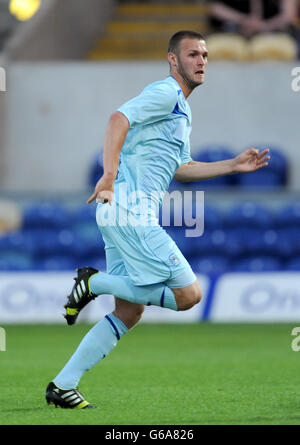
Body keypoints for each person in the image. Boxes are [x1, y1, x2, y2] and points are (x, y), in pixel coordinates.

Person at [45, 30, 270, 409]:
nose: (201, 61)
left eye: (205, 54)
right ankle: (93, 282)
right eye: (192, 54)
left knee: (129, 312)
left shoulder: (182, 108)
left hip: (120, 214)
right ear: (172, 59)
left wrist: (232, 165)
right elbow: (118, 118)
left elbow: (181, 167)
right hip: (130, 211)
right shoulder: (166, 92)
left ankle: (63, 385)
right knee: (189, 295)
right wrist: (109, 174)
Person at [209, 0, 298, 38]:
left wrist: (264, 26)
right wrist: (244, 20)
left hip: (276, 32)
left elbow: (288, 15)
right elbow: (214, 8)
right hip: (233, 30)